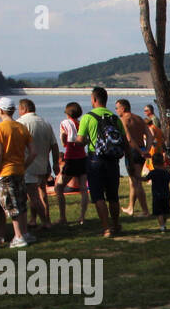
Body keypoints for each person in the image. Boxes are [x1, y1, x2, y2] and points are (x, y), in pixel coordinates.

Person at [75, 86, 127, 237]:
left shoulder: (87, 117)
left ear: (94, 100)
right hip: (112, 160)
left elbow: (80, 140)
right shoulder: (115, 117)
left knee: (98, 196)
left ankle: (106, 228)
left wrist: (79, 142)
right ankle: (116, 225)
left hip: (95, 159)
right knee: (113, 196)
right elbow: (123, 140)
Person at [0, 96, 35, 247]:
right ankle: (25, 232)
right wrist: (24, 165)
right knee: (21, 201)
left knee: (10, 204)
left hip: (5, 171)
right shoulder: (21, 127)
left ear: (0, 111)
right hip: (19, 170)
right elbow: (33, 152)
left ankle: (18, 236)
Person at [17, 98, 59, 232]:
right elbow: (54, 145)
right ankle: (34, 219)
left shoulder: (20, 123)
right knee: (42, 193)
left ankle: (45, 222)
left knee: (32, 196)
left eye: (19, 109)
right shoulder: (45, 123)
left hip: (28, 164)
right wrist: (55, 163)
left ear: (23, 109)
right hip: (43, 163)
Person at [115, 99, 151, 217]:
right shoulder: (139, 119)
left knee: (136, 182)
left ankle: (145, 211)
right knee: (133, 181)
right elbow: (150, 135)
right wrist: (146, 149)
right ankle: (131, 207)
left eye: (117, 108)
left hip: (133, 152)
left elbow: (129, 139)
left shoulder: (124, 120)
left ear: (123, 108)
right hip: (141, 150)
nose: (116, 111)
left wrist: (140, 151)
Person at [57, 101, 89, 226]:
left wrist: (65, 143)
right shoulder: (81, 123)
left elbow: (63, 138)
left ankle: (63, 217)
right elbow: (85, 140)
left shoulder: (64, 123)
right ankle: (82, 217)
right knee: (83, 188)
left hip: (71, 157)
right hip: (82, 156)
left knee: (59, 187)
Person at [146, 160, 170, 231]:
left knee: (159, 212)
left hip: (157, 195)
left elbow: (145, 179)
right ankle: (163, 225)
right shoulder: (166, 172)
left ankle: (162, 226)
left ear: (154, 164)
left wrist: (137, 177)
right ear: (162, 164)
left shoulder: (153, 172)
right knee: (165, 212)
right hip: (166, 195)